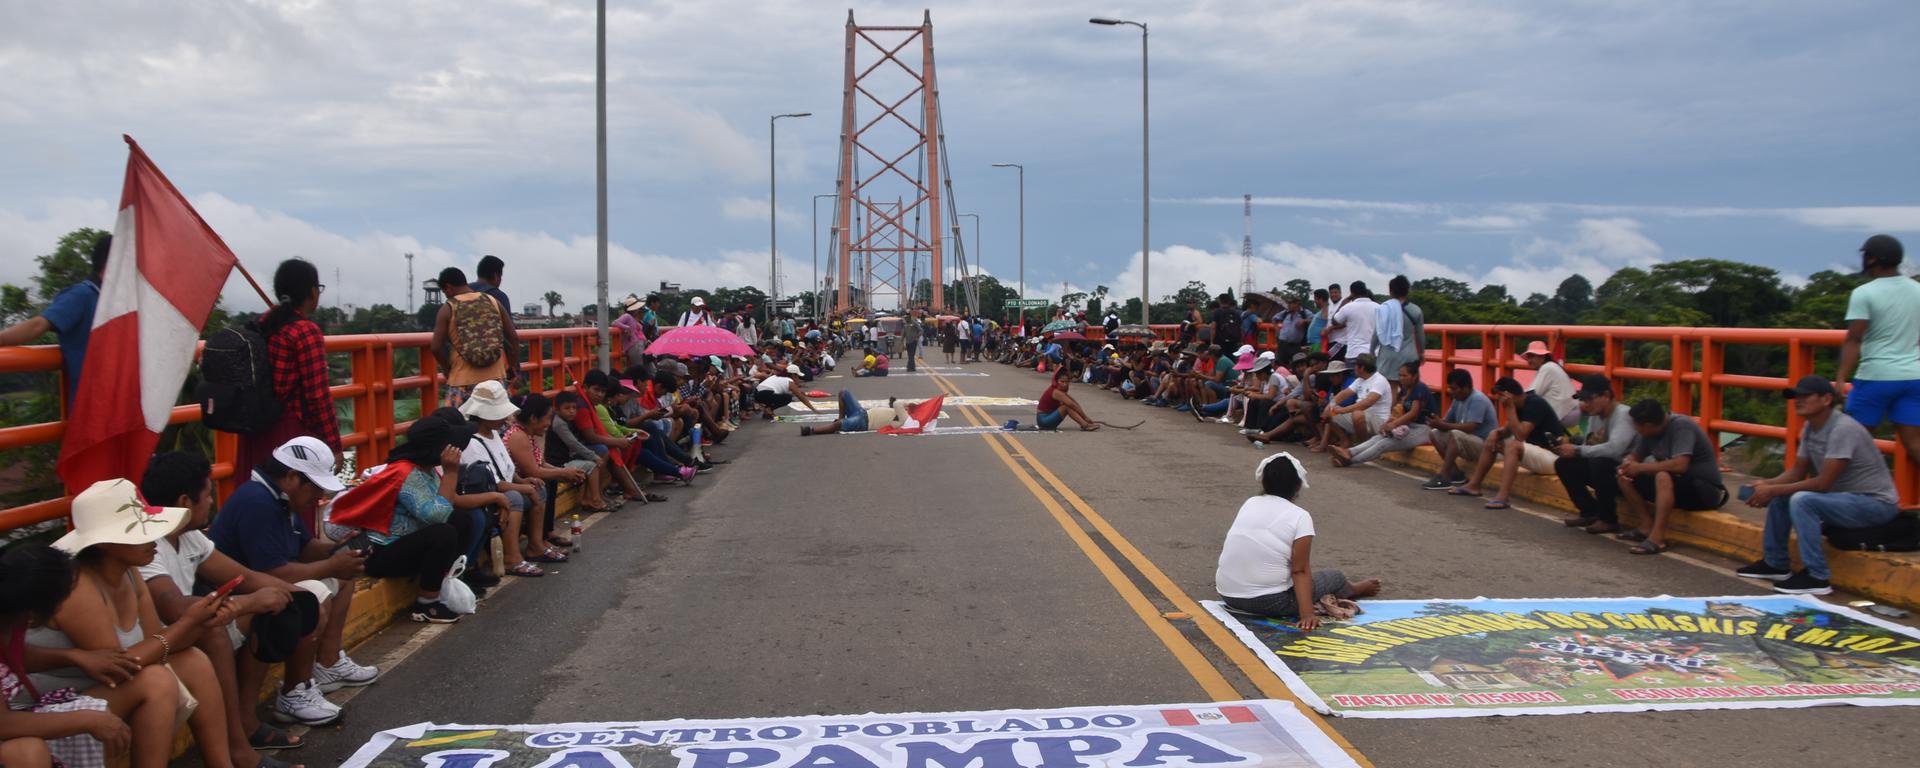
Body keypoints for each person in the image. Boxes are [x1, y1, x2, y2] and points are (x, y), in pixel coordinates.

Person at [29, 479, 239, 768]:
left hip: (100, 688)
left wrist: (202, 621)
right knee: (155, 682)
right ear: (103, 543)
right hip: (50, 702)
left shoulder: (128, 572)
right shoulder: (77, 585)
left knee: (193, 660)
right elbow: (119, 669)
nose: (154, 540)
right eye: (142, 533)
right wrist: (188, 622)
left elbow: (156, 642)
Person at [138, 452, 338, 755]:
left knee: (273, 609)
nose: (211, 503)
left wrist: (295, 599)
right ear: (184, 502)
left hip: (181, 633)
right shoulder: (146, 546)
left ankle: (246, 724)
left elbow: (243, 576)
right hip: (161, 640)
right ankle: (238, 743)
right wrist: (250, 602)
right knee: (216, 629)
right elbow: (176, 608)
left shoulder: (188, 535)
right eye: (207, 495)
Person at [205, 439, 372, 698]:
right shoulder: (258, 502)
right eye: (315, 488)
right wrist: (331, 564)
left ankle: (328, 663)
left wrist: (337, 550)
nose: (319, 496)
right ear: (293, 477)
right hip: (241, 592)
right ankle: (296, 690)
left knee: (344, 577)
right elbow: (273, 573)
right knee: (315, 593)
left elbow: (304, 548)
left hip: (262, 582)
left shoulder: (282, 498)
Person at [2, 541, 182, 768]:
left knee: (156, 680)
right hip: (12, 721)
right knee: (28, 752)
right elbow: (4, 724)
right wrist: (88, 719)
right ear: (33, 611)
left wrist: (73, 656)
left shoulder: (12, 620)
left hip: (25, 709)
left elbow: (14, 657)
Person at [1737, 375, 1903, 595]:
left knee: (1802, 500)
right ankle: (1775, 563)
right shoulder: (1810, 427)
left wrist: (1773, 489)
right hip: (1843, 500)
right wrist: (1766, 484)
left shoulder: (1843, 429)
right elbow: (1797, 471)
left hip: (1875, 504)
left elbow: (1824, 483)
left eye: (1805, 396)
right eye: (1796, 396)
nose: (1798, 400)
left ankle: (1817, 576)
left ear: (1826, 399)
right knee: (1783, 496)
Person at [1214, 453, 1381, 627]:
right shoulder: (1300, 516)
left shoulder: (1250, 503)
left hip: (1228, 594)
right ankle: (1354, 589)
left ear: (1263, 481)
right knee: (1335, 577)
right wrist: (1307, 614)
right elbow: (1299, 570)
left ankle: (1348, 589)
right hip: (1271, 602)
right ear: (1298, 486)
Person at [236, 258, 343, 483]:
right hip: (289, 434)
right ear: (313, 292)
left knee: (256, 496)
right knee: (292, 504)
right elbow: (317, 396)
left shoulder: (261, 323)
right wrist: (333, 445)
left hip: (255, 431)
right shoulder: (305, 331)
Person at [1836, 234, 1920, 490]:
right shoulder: (1917, 290)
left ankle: (1842, 498)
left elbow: (1854, 338)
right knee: (1914, 442)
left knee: (1848, 442)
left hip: (1876, 377)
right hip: (1914, 376)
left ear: (1872, 258)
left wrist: (1841, 377)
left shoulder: (1864, 293)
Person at [459, 382, 562, 577]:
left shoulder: (494, 434)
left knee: (537, 487)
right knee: (514, 496)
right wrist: (522, 488)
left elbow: (507, 469)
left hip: (504, 486)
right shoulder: (472, 442)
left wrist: (524, 481)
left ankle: (536, 545)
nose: (505, 418)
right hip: (487, 495)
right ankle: (511, 558)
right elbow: (493, 482)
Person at [0, 234, 108, 404]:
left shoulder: (119, 301)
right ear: (109, 263)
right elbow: (38, 325)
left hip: (122, 407)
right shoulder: (82, 295)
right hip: (93, 406)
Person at [1614, 399, 1726, 555]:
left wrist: (1639, 468)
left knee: (1662, 476)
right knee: (1624, 478)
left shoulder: (1681, 426)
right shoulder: (1649, 433)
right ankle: (1646, 525)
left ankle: (1657, 539)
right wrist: (1628, 464)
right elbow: (1635, 455)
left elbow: (1680, 465)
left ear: (1648, 425)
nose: (1635, 430)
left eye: (1637, 427)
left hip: (1703, 489)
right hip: (1675, 487)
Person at [1455, 376, 1564, 509]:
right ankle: (1474, 485)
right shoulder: (1519, 405)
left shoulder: (1535, 404)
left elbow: (1520, 435)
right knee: (1493, 438)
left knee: (1513, 445)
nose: (1499, 400)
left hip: (1554, 459)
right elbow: (1507, 430)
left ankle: (1503, 496)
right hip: (1537, 455)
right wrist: (1496, 433)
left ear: (1509, 395)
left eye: (1500, 396)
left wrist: (1510, 409)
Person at [1551, 376, 1636, 534]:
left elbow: (1615, 449)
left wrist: (1577, 451)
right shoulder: (1595, 416)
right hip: (1603, 470)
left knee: (1600, 462)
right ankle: (1590, 512)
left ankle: (1608, 519)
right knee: (1563, 464)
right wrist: (1569, 450)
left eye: (1589, 399)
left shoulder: (1623, 415)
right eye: (1583, 400)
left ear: (1606, 395)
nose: (1586, 404)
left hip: (1624, 472)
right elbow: (1589, 444)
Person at [432, 268, 513, 406]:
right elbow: (513, 337)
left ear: (448, 288)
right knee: (500, 423)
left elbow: (436, 347)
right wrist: (512, 366)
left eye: (445, 292)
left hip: (462, 381)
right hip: (496, 379)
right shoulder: (492, 300)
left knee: (459, 425)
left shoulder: (448, 308)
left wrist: (447, 368)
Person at [1333, 362, 1434, 467]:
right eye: (1400, 375)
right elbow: (1398, 411)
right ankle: (1349, 452)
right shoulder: (1404, 390)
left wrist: (1393, 425)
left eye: (1405, 376)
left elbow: (1413, 413)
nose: (1402, 378)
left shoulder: (1420, 388)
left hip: (1424, 429)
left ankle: (1350, 461)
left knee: (1384, 444)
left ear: (1415, 376)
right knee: (1377, 438)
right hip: (1408, 426)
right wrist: (1387, 424)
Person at [1421, 369, 1498, 489]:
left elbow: (1471, 427)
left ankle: (1444, 476)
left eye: (1454, 388)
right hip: (1470, 442)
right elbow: (1447, 422)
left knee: (1455, 434)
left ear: (1466, 387)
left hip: (1485, 446)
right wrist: (1437, 422)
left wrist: (1444, 425)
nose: (1451, 391)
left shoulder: (1477, 399)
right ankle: (1455, 473)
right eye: (1450, 388)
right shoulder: (1458, 399)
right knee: (1434, 433)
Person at [466, 255, 523, 387]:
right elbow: (509, 337)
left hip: (461, 371)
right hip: (491, 370)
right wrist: (514, 369)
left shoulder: (459, 296)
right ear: (496, 275)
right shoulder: (497, 296)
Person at [1320, 355, 1391, 454]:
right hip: (1362, 416)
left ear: (1361, 368)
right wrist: (1330, 406)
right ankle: (1345, 441)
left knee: (1357, 414)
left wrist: (1343, 410)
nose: (1354, 369)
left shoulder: (1379, 380)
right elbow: (1344, 394)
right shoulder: (1360, 380)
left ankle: (1362, 447)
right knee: (1330, 413)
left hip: (1379, 421)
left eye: (1356, 366)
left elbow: (1366, 403)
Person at [1520, 341, 1577, 427]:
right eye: (1528, 357)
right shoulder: (1552, 366)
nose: (1529, 360)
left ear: (1542, 357)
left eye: (1532, 357)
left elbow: (1533, 393)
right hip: (1570, 411)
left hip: (1563, 413)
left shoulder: (1547, 368)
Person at [800, 392, 902, 436]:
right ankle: (841, 418)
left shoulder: (901, 420)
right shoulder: (896, 410)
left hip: (863, 422)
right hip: (861, 412)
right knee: (843, 392)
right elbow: (895, 404)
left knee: (837, 425)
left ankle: (810, 430)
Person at [1037, 365, 1100, 431]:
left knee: (1068, 405)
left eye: (1066, 382)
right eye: (1062, 382)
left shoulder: (1060, 391)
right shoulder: (1056, 392)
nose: (1065, 384)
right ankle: (1085, 425)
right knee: (1066, 407)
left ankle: (1084, 423)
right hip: (1043, 421)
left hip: (1047, 418)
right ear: (1056, 381)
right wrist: (1085, 417)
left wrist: (1085, 417)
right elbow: (1071, 405)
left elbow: (1073, 402)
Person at [1273, 295, 1309, 363]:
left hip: (1295, 345)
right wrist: (1277, 330)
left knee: (1296, 363)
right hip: (1282, 343)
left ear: (1297, 304)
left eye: (1290, 303)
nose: (1288, 305)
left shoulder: (1304, 313)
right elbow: (1274, 318)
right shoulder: (1285, 313)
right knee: (1281, 363)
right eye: (1288, 303)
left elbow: (1313, 319)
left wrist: (1304, 321)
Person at [1305, 289, 1330, 355]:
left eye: (1315, 299)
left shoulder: (1326, 310)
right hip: (1313, 344)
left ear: (1321, 299)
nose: (1314, 301)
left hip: (1318, 344)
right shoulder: (1320, 311)